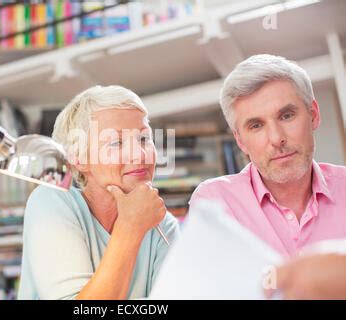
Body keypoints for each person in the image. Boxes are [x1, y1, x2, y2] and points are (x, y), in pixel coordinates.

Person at [18, 85, 179, 300]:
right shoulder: (51, 202)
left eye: (144, 138)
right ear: (78, 158)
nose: (140, 155)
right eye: (117, 142)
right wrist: (130, 226)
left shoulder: (162, 225)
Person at [189, 54, 346, 257]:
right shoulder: (214, 203)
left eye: (287, 116)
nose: (276, 138)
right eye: (256, 126)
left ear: (313, 115)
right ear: (240, 141)